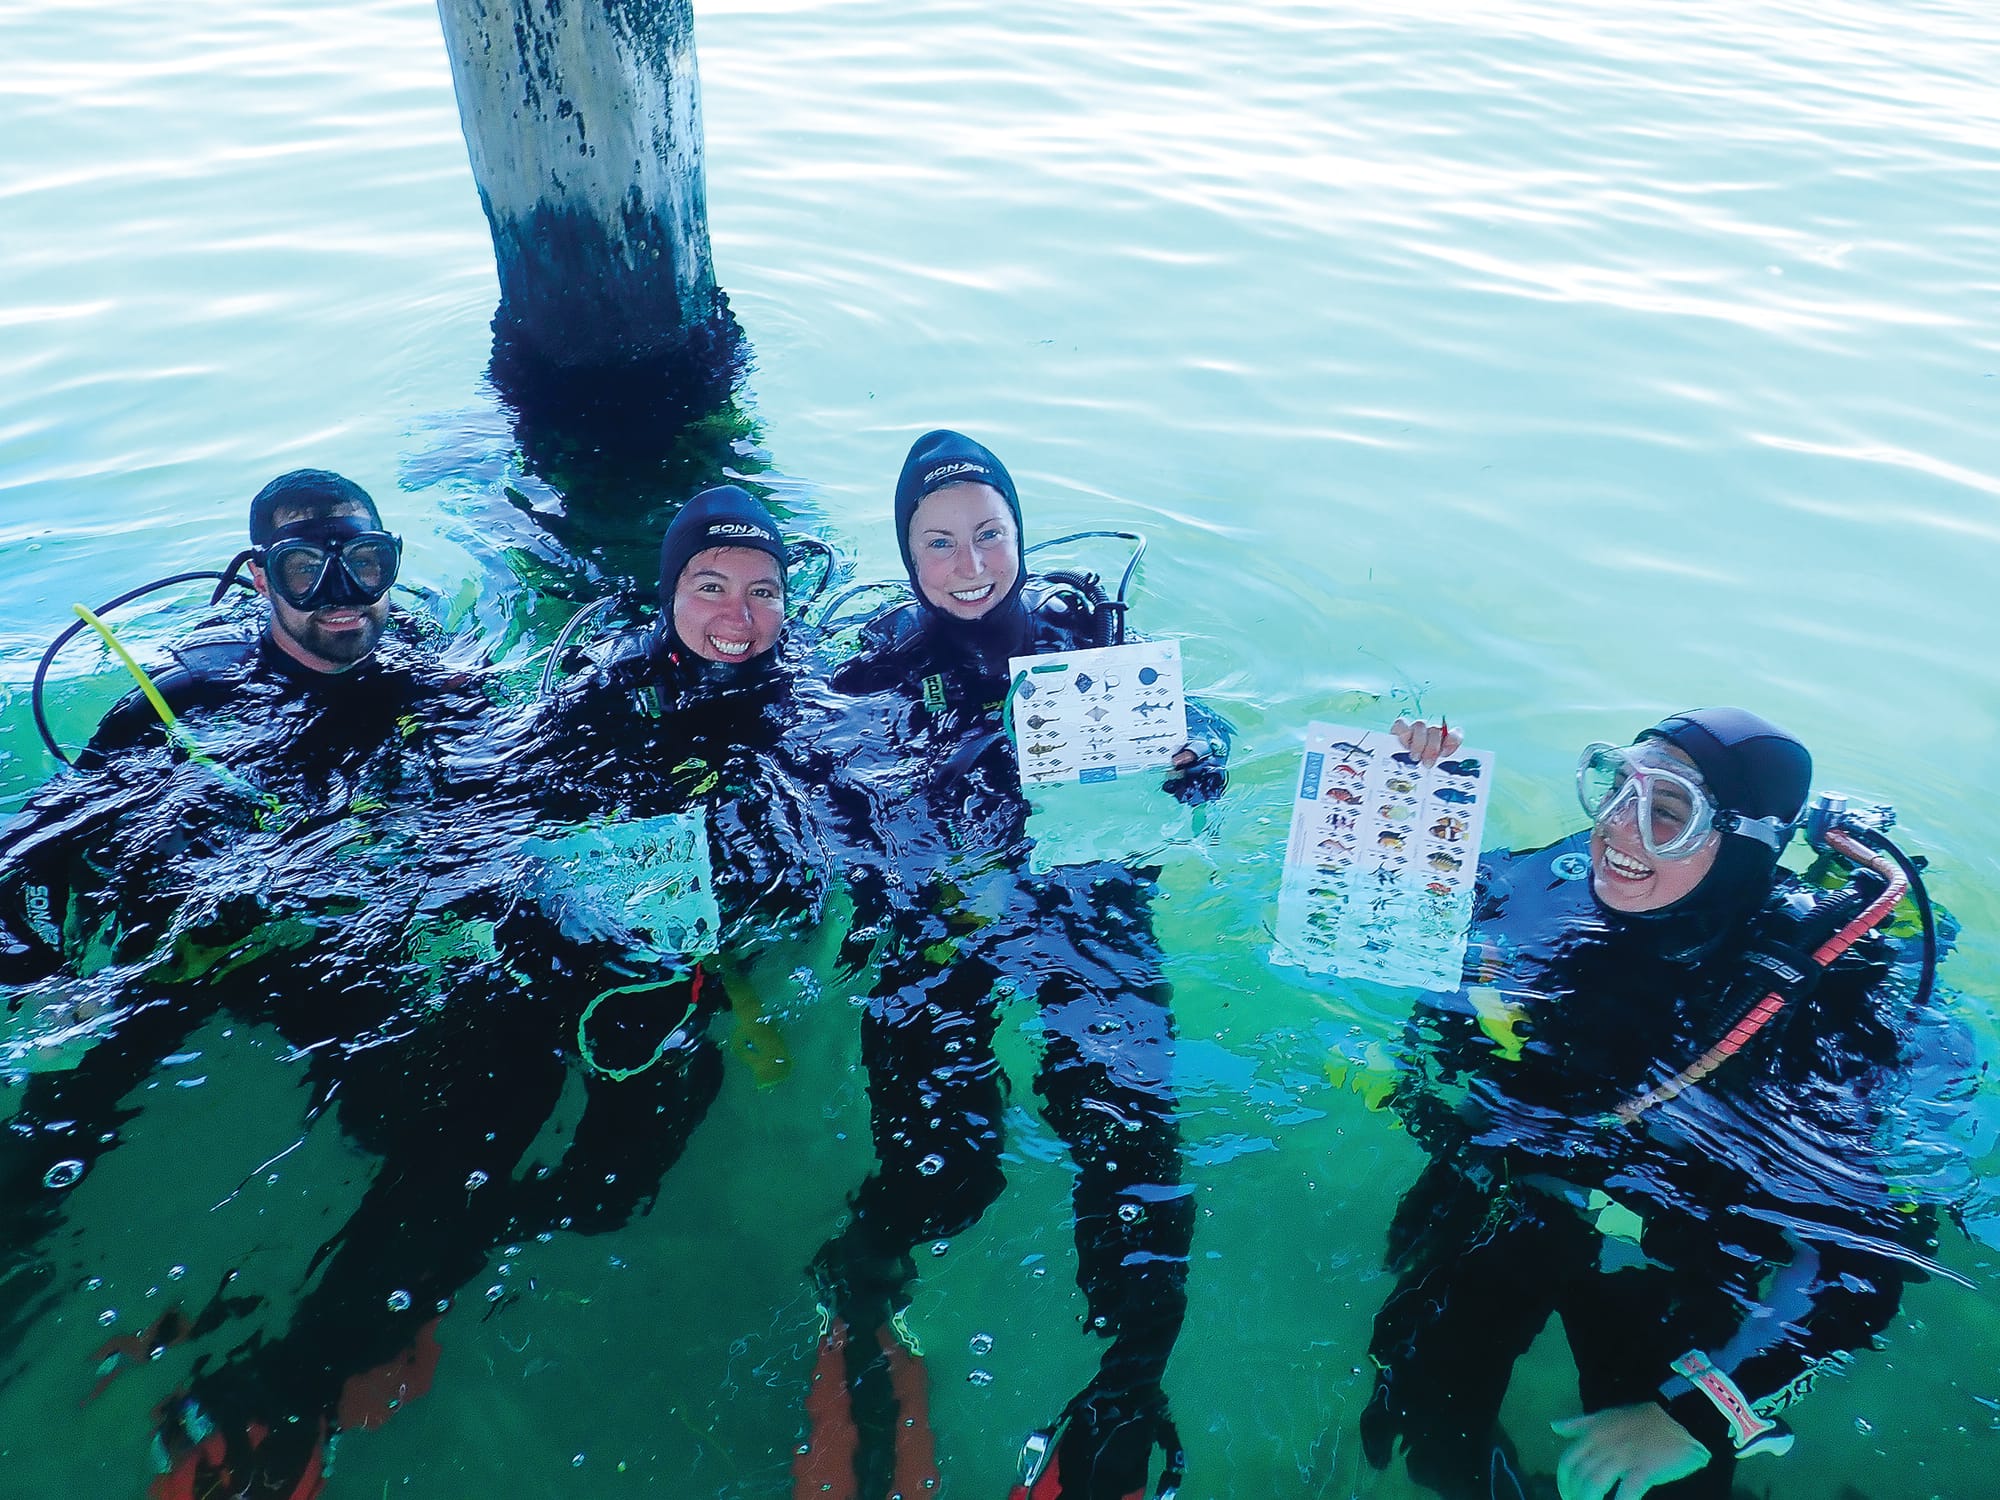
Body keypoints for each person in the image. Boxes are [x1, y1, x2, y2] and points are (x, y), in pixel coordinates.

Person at [793, 431, 1229, 1500]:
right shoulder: (873, 673)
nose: (971, 562)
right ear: (905, 555)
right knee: (945, 1171)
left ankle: (1128, 1387)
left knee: (1127, 1127)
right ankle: (862, 1296)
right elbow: (819, 798)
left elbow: (1200, 732)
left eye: (989, 533)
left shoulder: (1087, 644)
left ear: (1020, 534)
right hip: (940, 910)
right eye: (937, 541)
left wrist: (1195, 755)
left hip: (1077, 898)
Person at [1359, 707, 1937, 1500]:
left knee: (1663, 1482)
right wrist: (1407, 794)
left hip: (1679, 1242)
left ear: (1744, 841)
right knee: (1420, 1418)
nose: (1617, 831)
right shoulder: (1555, 880)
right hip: (1513, 1182)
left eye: (1667, 812)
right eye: (1614, 787)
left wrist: (1700, 1417)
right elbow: (1381, 909)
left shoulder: (1810, 1003)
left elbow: (1862, 1258)